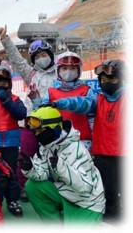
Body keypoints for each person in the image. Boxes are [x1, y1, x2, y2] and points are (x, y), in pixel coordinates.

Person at [52, 59, 125, 223]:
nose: (106, 83)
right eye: (103, 80)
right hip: (102, 156)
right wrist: (59, 103)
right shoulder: (97, 99)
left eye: (111, 79)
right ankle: (109, 222)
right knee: (108, 193)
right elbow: (80, 103)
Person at [0, 25, 57, 200]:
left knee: (53, 156)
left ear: (51, 56)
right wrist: (5, 39)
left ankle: (55, 187)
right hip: (31, 122)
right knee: (25, 154)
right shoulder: (31, 75)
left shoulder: (59, 75)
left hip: (53, 124)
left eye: (44, 55)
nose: (41, 58)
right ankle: (22, 186)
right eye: (37, 56)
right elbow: (16, 60)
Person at [19, 106, 105, 225]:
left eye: (40, 130)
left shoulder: (77, 149)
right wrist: (29, 168)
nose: (37, 135)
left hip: (87, 202)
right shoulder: (45, 147)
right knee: (31, 186)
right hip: (65, 192)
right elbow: (42, 174)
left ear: (55, 129)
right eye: (35, 132)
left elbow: (86, 187)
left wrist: (61, 167)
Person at [0, 66, 27, 217]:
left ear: (9, 84)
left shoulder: (14, 99)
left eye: (4, 83)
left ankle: (12, 200)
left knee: (11, 172)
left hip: (11, 143)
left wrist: (6, 100)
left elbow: (21, 114)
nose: (1, 86)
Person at [42, 52, 96, 150]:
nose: (68, 72)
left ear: (78, 71)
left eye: (73, 68)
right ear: (58, 70)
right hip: (57, 142)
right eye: (64, 68)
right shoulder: (50, 91)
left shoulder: (87, 90)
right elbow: (43, 116)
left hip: (82, 142)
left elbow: (92, 119)